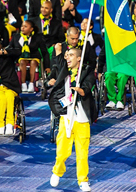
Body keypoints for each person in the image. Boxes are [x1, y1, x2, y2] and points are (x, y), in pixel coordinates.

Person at [48, 48, 95, 192]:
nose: (68, 58)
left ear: (79, 58)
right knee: (62, 150)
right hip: (66, 117)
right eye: (66, 55)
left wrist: (79, 90)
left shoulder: (87, 72)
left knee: (82, 153)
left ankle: (83, 180)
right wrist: (50, 82)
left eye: (71, 55)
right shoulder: (63, 71)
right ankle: (57, 171)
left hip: (82, 119)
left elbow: (87, 88)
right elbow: (52, 74)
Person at [9, 20, 51, 93]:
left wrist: (47, 66)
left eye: (25, 26)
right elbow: (9, 48)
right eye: (22, 26)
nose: (22, 28)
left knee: (33, 62)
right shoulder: (16, 37)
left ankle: (32, 84)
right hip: (21, 57)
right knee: (22, 62)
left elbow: (45, 52)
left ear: (31, 29)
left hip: (34, 57)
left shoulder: (38, 37)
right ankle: (23, 84)